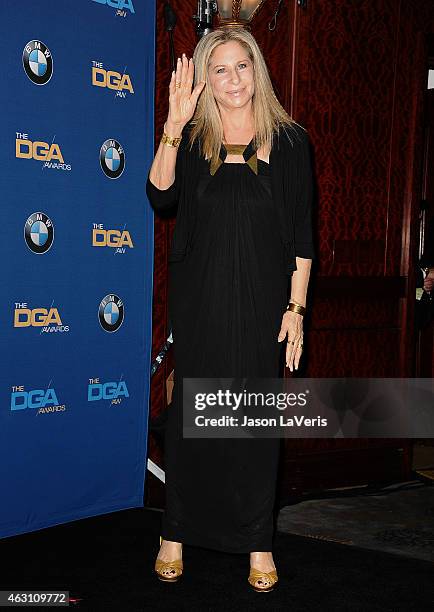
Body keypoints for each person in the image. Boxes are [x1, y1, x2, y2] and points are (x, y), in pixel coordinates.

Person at [146, 26, 315, 592]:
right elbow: (160, 195)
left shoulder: (291, 142)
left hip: (264, 303)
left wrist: (295, 308)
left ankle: (258, 542)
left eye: (242, 66)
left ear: (258, 71)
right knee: (195, 423)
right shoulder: (193, 142)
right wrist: (171, 126)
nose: (233, 79)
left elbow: (302, 239)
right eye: (219, 69)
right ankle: (175, 533)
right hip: (202, 302)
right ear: (206, 81)